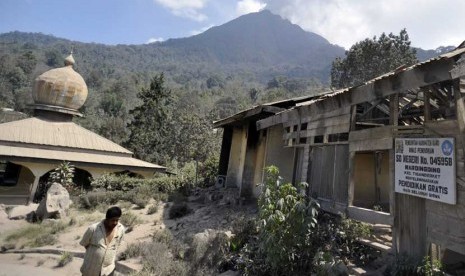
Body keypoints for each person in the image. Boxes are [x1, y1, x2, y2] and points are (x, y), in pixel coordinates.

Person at [80, 206, 125, 276]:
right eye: (113, 220)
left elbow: (118, 244)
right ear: (107, 219)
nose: (115, 223)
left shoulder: (121, 229)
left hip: (108, 270)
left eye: (117, 220)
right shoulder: (93, 229)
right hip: (91, 270)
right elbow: (85, 244)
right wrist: (98, 252)